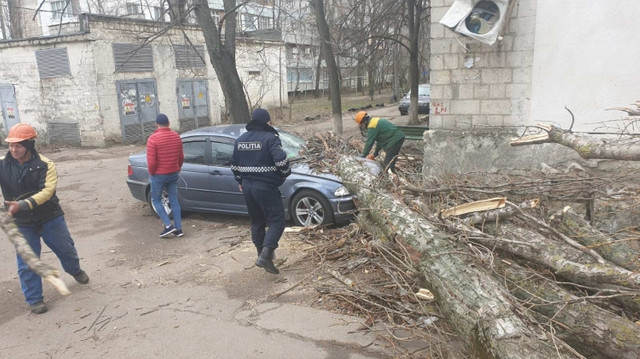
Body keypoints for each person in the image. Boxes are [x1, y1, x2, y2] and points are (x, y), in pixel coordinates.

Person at [0, 123, 89, 314]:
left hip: (50, 217)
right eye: (11, 145)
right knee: (27, 262)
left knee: (66, 250)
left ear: (30, 145)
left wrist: (21, 205)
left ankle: (75, 270)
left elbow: (47, 192)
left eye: (19, 145)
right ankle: (35, 299)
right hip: (22, 223)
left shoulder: (46, 165)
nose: (14, 150)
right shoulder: (2, 164)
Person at [231, 108, 291, 274]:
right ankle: (265, 255)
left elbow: (234, 165)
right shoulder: (270, 139)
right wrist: (285, 175)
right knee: (277, 221)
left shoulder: (240, 140)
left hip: (248, 188)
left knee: (257, 222)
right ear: (267, 122)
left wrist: (240, 180)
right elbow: (281, 161)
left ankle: (263, 257)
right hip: (266, 187)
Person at [147, 114, 184, 237]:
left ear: (156, 124)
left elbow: (152, 162)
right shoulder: (176, 137)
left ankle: (168, 226)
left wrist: (152, 173)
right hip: (173, 173)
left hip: (159, 175)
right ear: (168, 123)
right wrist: (178, 168)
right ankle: (179, 229)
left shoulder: (153, 139)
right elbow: (181, 157)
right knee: (174, 200)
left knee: (156, 199)